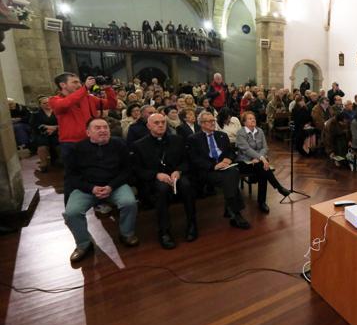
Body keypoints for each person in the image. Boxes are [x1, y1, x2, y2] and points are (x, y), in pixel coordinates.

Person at [63, 118, 139, 262]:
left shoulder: (119, 144)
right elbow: (71, 175)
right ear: (88, 132)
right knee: (72, 212)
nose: (103, 130)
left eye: (105, 127)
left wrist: (111, 186)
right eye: (97, 128)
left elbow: (127, 170)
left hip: (114, 185)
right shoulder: (77, 149)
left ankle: (126, 233)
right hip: (87, 188)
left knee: (129, 202)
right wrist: (91, 188)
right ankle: (83, 244)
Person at [49, 73, 117, 201]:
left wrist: (108, 88)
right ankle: (70, 209)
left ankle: (98, 202)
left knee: (95, 173)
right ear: (63, 85)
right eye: (74, 82)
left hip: (90, 141)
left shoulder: (88, 98)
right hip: (70, 144)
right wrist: (84, 88)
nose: (79, 84)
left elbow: (111, 104)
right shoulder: (55, 99)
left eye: (79, 82)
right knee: (71, 177)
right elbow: (65, 104)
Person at [133, 114, 196, 249]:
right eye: (156, 123)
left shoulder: (177, 140)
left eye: (163, 122)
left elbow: (186, 161)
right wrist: (156, 175)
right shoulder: (139, 145)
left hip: (176, 176)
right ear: (149, 126)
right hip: (155, 178)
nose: (160, 125)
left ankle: (192, 224)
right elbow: (138, 170)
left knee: (186, 185)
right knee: (162, 189)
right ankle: (164, 231)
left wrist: (178, 171)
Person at [188, 111, 250, 229]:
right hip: (208, 170)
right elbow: (194, 159)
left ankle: (233, 212)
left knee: (232, 172)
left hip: (225, 167)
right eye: (209, 121)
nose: (213, 123)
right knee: (232, 176)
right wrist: (213, 166)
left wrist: (228, 159)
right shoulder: (194, 139)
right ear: (201, 123)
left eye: (213, 120)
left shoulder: (221, 135)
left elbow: (231, 152)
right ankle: (234, 212)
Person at [236, 112, 291, 213]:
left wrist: (259, 158)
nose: (253, 120)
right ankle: (273, 192)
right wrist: (261, 157)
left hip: (259, 162)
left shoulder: (260, 131)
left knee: (261, 169)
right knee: (263, 168)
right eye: (249, 119)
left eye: (254, 118)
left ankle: (265, 199)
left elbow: (265, 147)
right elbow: (246, 149)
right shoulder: (241, 133)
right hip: (245, 161)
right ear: (244, 122)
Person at [29, 96, 58, 172]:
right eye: (44, 103)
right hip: (42, 133)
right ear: (40, 105)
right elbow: (34, 125)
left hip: (56, 133)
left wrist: (54, 128)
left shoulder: (57, 111)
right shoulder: (36, 114)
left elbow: (62, 123)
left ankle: (57, 160)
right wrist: (46, 128)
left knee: (60, 143)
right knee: (42, 146)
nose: (47, 104)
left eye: (48, 102)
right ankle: (43, 163)